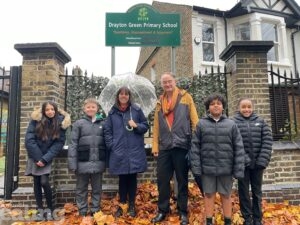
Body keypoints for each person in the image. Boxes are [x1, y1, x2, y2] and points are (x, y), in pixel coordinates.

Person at [151, 72, 199, 225]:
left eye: (169, 81)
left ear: (175, 81)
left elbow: (195, 121)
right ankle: (162, 210)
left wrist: (195, 143)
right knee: (162, 180)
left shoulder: (186, 97)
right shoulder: (160, 102)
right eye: (164, 82)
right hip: (165, 146)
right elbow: (156, 126)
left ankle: (183, 211)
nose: (167, 84)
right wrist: (155, 146)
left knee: (182, 180)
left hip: (181, 145)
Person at [189, 93, 245, 225]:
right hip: (207, 169)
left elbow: (239, 147)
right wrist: (196, 167)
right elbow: (195, 147)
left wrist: (238, 169)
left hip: (226, 168)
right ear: (208, 108)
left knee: (226, 195)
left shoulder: (231, 125)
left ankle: (227, 221)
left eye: (218, 104)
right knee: (208, 195)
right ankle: (209, 220)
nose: (215, 106)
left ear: (223, 107)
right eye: (212, 104)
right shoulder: (201, 125)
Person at [104, 86, 149, 218]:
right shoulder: (112, 113)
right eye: (121, 94)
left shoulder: (136, 110)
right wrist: (112, 145)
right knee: (122, 179)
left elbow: (145, 125)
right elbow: (107, 131)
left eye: (126, 94)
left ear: (129, 96)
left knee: (132, 179)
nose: (124, 96)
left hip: (134, 150)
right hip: (119, 151)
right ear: (118, 96)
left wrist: (137, 126)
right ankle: (122, 204)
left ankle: (131, 205)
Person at [25, 101, 71, 221]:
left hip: (47, 157)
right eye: (47, 110)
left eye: (52, 109)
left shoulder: (61, 123)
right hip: (35, 156)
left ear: (55, 111)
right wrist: (38, 158)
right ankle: (40, 210)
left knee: (44, 182)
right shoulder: (35, 120)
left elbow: (59, 143)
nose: (50, 112)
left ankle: (50, 209)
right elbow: (29, 139)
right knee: (36, 181)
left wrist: (44, 159)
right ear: (43, 111)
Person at [232, 98, 273, 225]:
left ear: (253, 108)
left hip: (258, 165)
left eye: (249, 107)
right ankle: (247, 218)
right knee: (243, 192)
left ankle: (257, 218)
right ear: (239, 108)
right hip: (242, 165)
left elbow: (267, 141)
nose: (246, 109)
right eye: (243, 107)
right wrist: (244, 159)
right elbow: (233, 143)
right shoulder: (233, 123)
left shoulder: (261, 122)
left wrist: (262, 160)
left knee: (257, 192)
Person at [68, 98, 107, 217]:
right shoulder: (78, 124)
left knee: (97, 189)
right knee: (81, 189)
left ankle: (95, 210)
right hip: (82, 162)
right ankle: (82, 211)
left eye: (93, 107)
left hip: (98, 162)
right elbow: (73, 144)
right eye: (88, 107)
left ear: (97, 109)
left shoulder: (103, 123)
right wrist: (73, 164)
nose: (91, 109)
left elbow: (107, 143)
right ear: (84, 109)